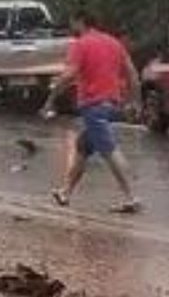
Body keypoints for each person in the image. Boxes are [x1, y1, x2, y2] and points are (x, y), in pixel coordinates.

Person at [44, 11, 142, 214]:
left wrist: (51, 98)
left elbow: (69, 74)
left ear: (81, 22)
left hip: (93, 106)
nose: (72, 28)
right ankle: (65, 193)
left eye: (73, 23)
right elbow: (132, 73)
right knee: (82, 147)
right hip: (112, 104)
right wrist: (135, 101)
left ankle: (131, 197)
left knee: (109, 151)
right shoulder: (114, 43)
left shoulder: (80, 44)